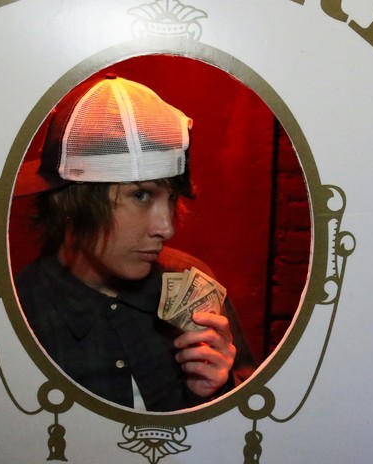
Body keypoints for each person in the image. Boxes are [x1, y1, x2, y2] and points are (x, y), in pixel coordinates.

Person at [13, 75, 251, 412]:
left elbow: (251, 421)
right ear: (72, 202)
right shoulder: (17, 312)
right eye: (141, 195)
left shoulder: (190, 279)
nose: (167, 228)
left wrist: (216, 392)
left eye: (171, 199)